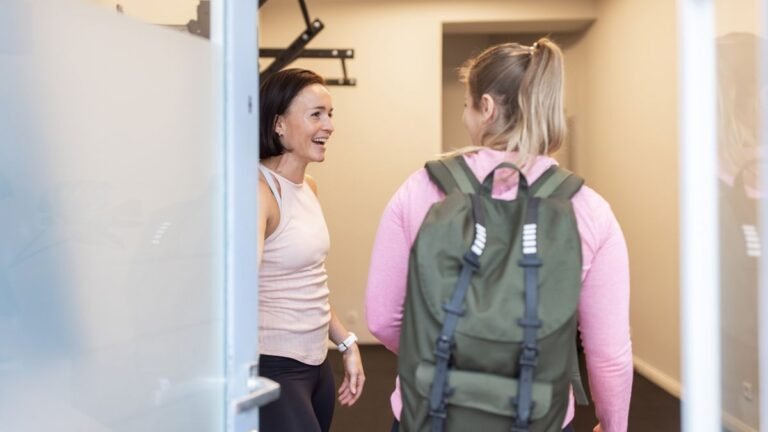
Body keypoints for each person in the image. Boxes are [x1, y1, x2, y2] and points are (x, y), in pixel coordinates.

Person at [365, 38, 632, 432]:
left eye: (467, 104)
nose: (466, 115)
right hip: (538, 415)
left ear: (486, 108)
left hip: (431, 412)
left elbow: (382, 318)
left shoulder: (421, 187)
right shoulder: (589, 209)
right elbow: (608, 354)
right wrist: (613, 426)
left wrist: (449, 353)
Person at [257, 68, 365, 432]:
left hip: (317, 365)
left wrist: (347, 342)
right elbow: (235, 293)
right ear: (279, 125)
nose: (329, 125)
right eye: (316, 114)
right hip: (274, 366)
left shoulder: (309, 187)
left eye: (330, 114)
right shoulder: (259, 193)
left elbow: (309, 280)